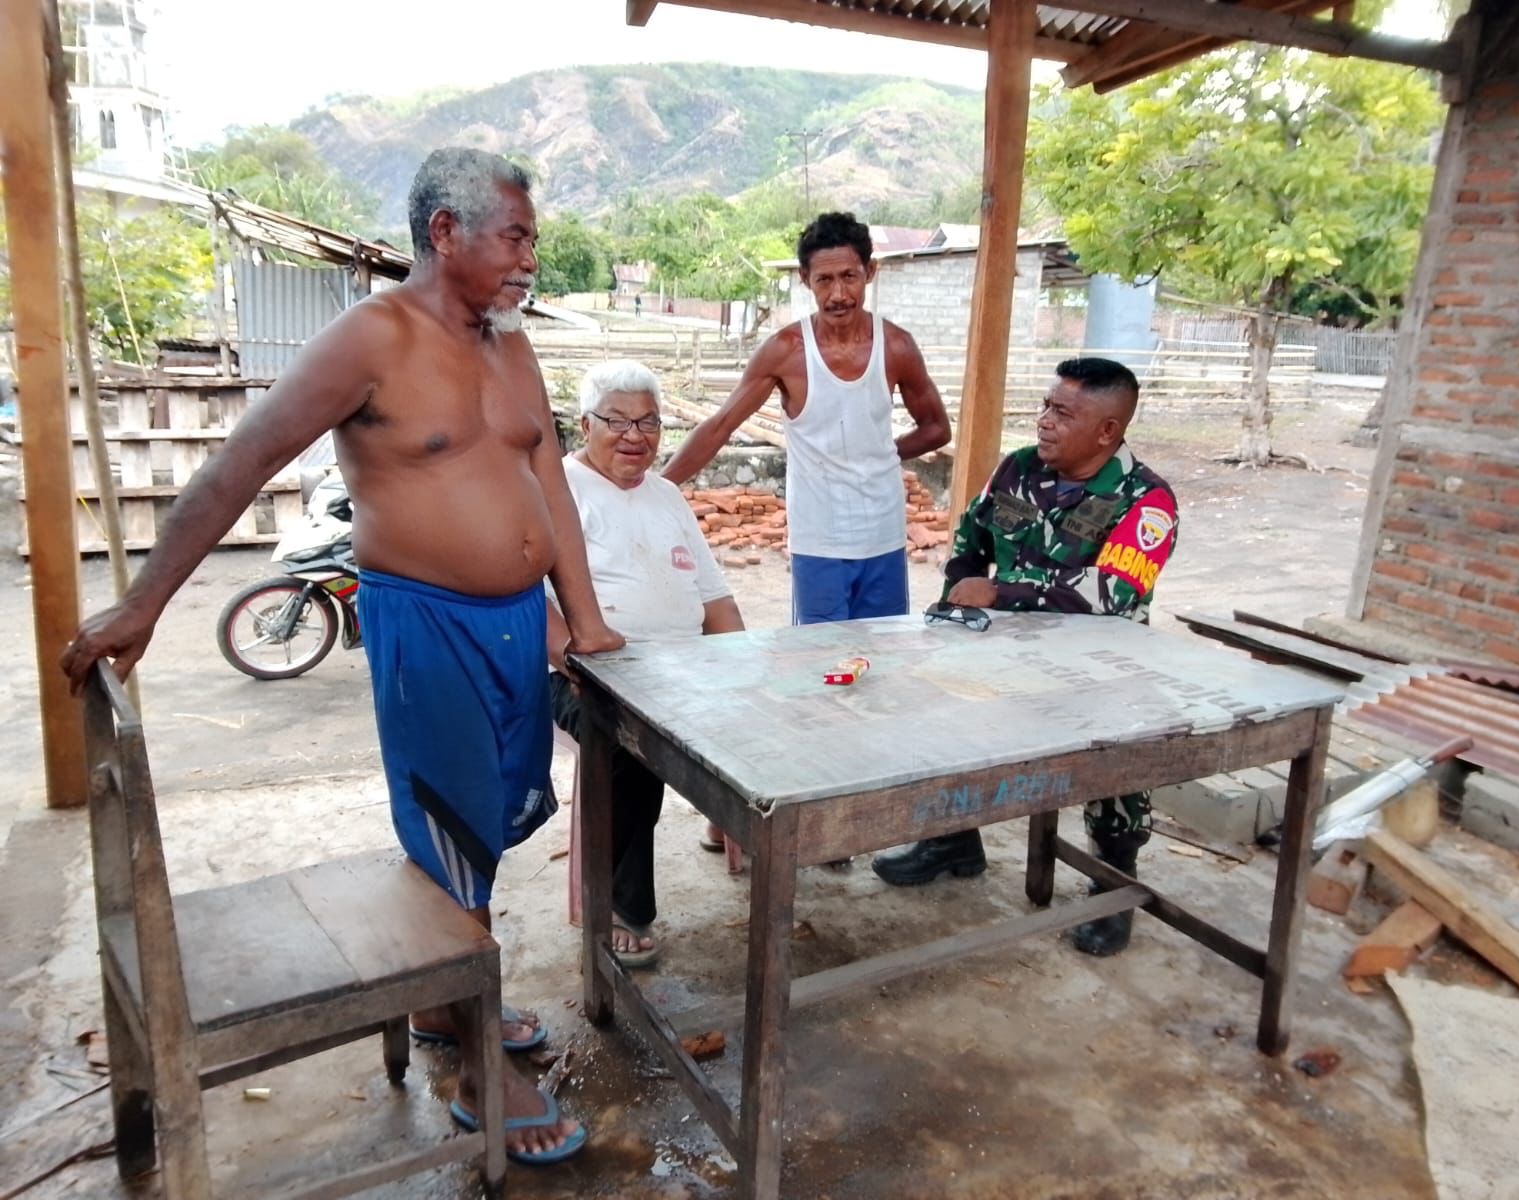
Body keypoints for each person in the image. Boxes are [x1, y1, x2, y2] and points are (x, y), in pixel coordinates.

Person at [60, 147, 622, 1166]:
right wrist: (143, 602)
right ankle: (468, 1066)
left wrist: (579, 616)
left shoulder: (512, 344)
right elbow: (241, 464)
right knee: (447, 831)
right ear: (444, 234)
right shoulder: (371, 341)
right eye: (514, 236)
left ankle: (450, 1003)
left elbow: (549, 486)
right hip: (427, 624)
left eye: (531, 237)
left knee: (493, 818)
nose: (528, 257)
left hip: (512, 629)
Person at [870, 357, 1179, 958]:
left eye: (1063, 413)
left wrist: (1004, 593)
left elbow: (1114, 595)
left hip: (1098, 669)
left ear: (1107, 431)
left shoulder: (1147, 499)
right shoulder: (1016, 468)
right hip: (1002, 652)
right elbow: (970, 541)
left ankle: (1111, 884)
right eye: (1045, 406)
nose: (1044, 422)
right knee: (946, 720)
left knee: (1115, 762)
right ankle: (954, 841)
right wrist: (962, 592)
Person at [545, 360, 746, 969]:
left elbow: (715, 599)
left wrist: (748, 669)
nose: (636, 436)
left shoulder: (666, 495)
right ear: (585, 424)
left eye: (650, 423)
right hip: (585, 676)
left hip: (685, 669)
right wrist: (577, 663)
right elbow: (529, 600)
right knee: (630, 745)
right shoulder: (557, 490)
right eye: (618, 421)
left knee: (770, 718)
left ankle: (733, 824)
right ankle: (619, 904)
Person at [661, 211, 951, 625]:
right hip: (820, 541)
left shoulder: (896, 346)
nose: (838, 294)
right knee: (820, 660)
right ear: (804, 279)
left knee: (884, 658)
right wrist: (658, 486)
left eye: (849, 277)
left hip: (883, 536)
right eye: (824, 280)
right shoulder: (787, 351)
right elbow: (721, 426)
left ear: (870, 272)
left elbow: (938, 429)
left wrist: (882, 452)